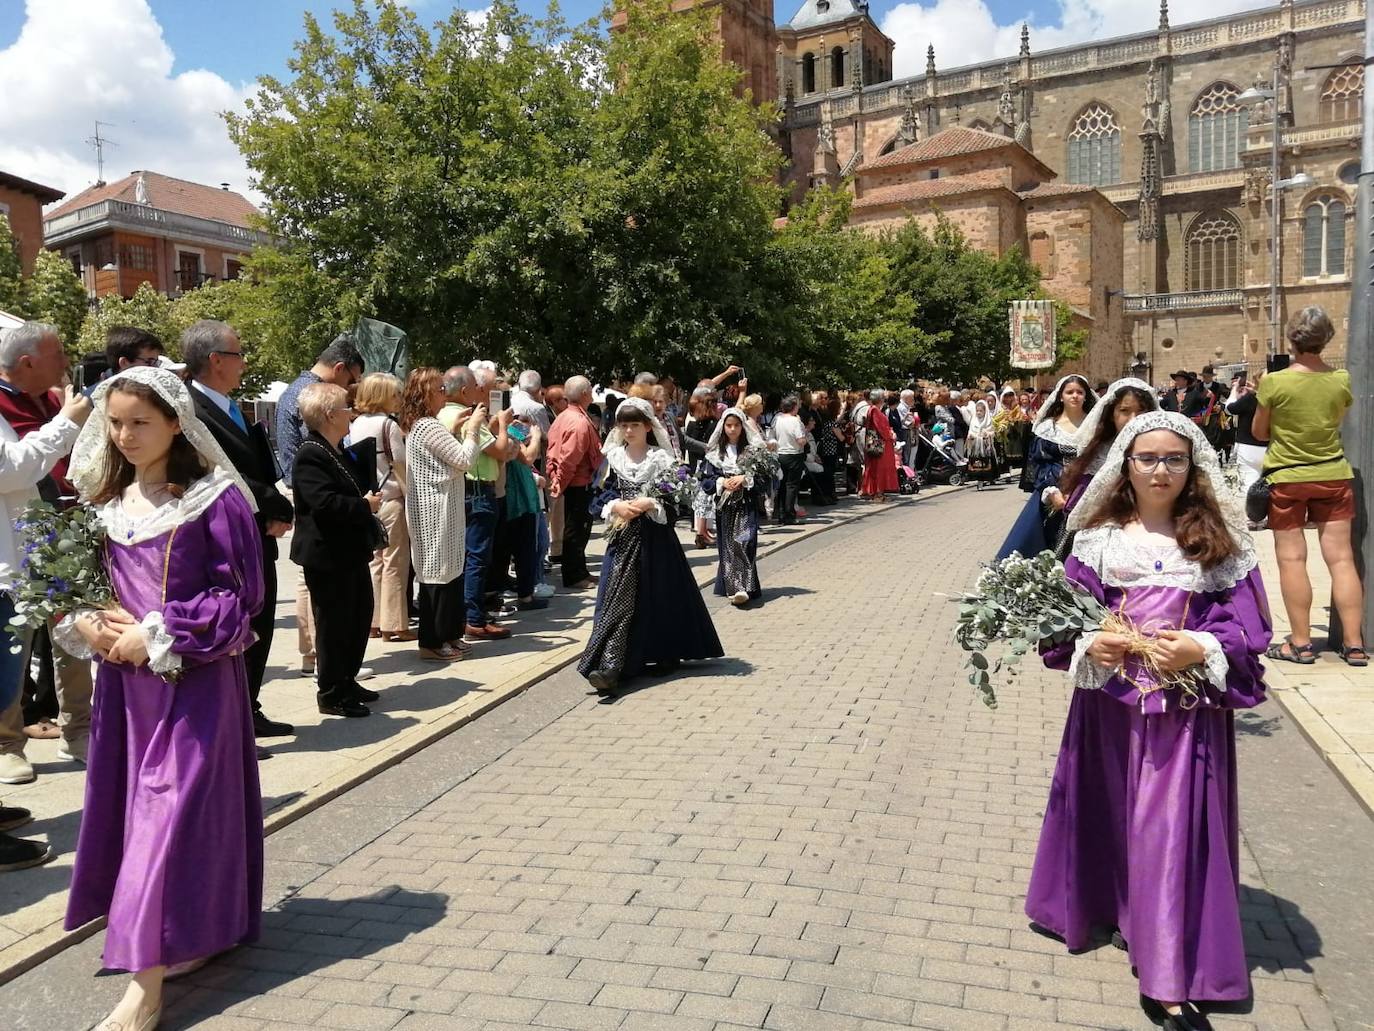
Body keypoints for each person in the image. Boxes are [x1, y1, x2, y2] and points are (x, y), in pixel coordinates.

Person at [1027, 410, 1270, 1030]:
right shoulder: (1098, 540)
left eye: (1174, 459)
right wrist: (1092, 640)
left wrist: (1201, 646)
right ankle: (1111, 903)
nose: (1160, 470)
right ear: (1125, 467)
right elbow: (1065, 616)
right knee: (1111, 808)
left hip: (1183, 712)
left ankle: (1166, 975)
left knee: (1169, 825)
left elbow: (1246, 627)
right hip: (1109, 703)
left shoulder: (1220, 544)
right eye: (1148, 459)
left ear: (1193, 469)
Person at [57, 367, 266, 1031]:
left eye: (138, 422)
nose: (123, 435)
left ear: (176, 421)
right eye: (114, 422)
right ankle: (190, 932)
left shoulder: (214, 498)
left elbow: (242, 600)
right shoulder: (106, 498)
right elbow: (80, 583)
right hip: (126, 695)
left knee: (164, 820)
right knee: (148, 818)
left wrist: (161, 633)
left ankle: (144, 991)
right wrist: (88, 621)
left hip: (196, 688)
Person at [183, 319, 297, 739]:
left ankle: (249, 707)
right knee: (238, 626)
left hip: (257, 532)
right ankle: (234, 723)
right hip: (225, 536)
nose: (244, 363)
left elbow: (255, 461)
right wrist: (274, 501)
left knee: (261, 622)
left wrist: (272, 510)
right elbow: (219, 473)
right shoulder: (192, 410)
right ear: (216, 360)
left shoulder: (230, 404)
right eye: (238, 354)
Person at [0, 361, 90, 870]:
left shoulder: (49, 400)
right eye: (56, 356)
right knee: (4, 672)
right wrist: (69, 421)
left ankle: (79, 728)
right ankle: (9, 747)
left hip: (41, 543)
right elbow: (13, 468)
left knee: (63, 643)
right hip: (10, 557)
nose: (64, 367)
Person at [577, 399, 723, 694]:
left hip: (656, 543)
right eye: (624, 425)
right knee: (618, 600)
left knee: (658, 597)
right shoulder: (613, 458)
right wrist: (617, 504)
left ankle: (661, 653)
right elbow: (596, 497)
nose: (629, 430)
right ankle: (611, 666)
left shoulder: (662, 460)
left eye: (635, 424)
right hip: (622, 541)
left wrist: (650, 502)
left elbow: (674, 502)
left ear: (647, 427)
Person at [1253, 306, 1366, 666]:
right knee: (1342, 559)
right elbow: (1335, 421)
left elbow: (1259, 432)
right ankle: (1354, 644)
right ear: (1326, 339)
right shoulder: (1340, 380)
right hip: (1333, 473)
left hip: (1288, 477)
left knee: (1292, 559)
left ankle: (1300, 643)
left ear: (1292, 339)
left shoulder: (1275, 382)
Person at [276, 336, 366, 678]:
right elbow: (318, 451)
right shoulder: (310, 397)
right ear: (340, 369)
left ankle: (322, 659)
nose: (350, 393)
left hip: (309, 496)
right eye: (349, 382)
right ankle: (319, 658)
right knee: (321, 595)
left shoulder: (295, 389)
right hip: (315, 506)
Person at [291, 383, 383, 718]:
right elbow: (324, 503)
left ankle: (347, 678)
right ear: (330, 415)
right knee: (333, 625)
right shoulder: (311, 453)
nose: (352, 413)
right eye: (346, 407)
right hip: (326, 555)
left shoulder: (336, 449)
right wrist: (364, 505)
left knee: (358, 616)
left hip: (348, 550)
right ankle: (331, 692)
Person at [400, 369, 485, 663]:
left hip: (441, 506)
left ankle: (449, 633)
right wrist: (473, 429)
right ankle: (431, 640)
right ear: (424, 395)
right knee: (437, 573)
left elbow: (444, 460)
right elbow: (463, 459)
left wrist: (457, 430)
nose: (444, 394)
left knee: (450, 571)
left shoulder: (427, 426)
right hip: (434, 508)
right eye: (439, 389)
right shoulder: (427, 426)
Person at [439, 366, 514, 640]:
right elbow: (501, 451)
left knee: (462, 556)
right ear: (464, 390)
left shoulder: (441, 415)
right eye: (478, 388)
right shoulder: (468, 417)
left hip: (459, 490)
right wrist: (503, 425)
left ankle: (462, 616)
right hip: (478, 491)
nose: (481, 394)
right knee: (477, 557)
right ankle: (474, 618)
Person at [997, 375, 1097, 560]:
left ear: (1086, 396)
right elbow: (1039, 464)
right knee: (1046, 544)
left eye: (1079, 392)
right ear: (1061, 396)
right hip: (1054, 492)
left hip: (1089, 493)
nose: (1075, 396)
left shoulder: (1097, 426)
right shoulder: (1048, 427)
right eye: (1069, 392)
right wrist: (1052, 491)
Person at [351, 373, 412, 642]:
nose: (399, 399)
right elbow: (400, 463)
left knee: (375, 562)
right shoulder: (388, 425)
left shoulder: (357, 424)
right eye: (394, 394)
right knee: (395, 563)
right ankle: (395, 624)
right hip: (391, 496)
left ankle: (373, 622)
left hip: (369, 498)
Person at [700, 409, 766, 606]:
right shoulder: (715, 454)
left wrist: (745, 479)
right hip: (725, 506)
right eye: (729, 425)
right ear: (723, 427)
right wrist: (722, 482)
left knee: (745, 542)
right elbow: (706, 481)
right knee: (728, 545)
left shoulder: (752, 451)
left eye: (736, 425)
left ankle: (742, 587)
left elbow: (764, 479)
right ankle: (734, 586)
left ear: (742, 427)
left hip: (746, 504)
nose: (732, 429)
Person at [546, 376, 603, 590]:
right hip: (578, 483)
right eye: (590, 389)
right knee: (576, 529)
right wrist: (560, 483)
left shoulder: (564, 417)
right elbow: (569, 458)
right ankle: (573, 575)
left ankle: (581, 571)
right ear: (585, 393)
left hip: (576, 482)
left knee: (579, 529)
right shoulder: (577, 421)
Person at [682, 387, 720, 547]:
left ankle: (701, 531)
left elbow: (688, 445)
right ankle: (702, 532)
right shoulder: (715, 425)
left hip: (693, 465)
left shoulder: (692, 425)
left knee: (698, 500)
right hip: (707, 466)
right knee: (706, 500)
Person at [1224, 370, 1265, 492]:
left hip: (1248, 448)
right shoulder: (1277, 397)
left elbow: (1229, 409)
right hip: (1270, 447)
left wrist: (1234, 389)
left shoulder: (1250, 398)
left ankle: (1253, 510)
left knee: (1249, 486)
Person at [771, 395, 808, 525]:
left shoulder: (777, 418)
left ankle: (781, 513)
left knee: (782, 485)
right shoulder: (795, 421)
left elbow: (772, 434)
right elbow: (801, 441)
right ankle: (789, 515)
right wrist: (806, 433)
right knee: (792, 486)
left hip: (780, 453)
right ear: (793, 407)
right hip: (794, 454)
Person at [858, 388, 898, 501]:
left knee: (874, 468)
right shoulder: (875, 410)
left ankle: (873, 492)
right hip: (880, 443)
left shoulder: (873, 409)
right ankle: (877, 493)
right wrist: (891, 435)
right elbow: (881, 428)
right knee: (878, 469)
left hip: (876, 442)